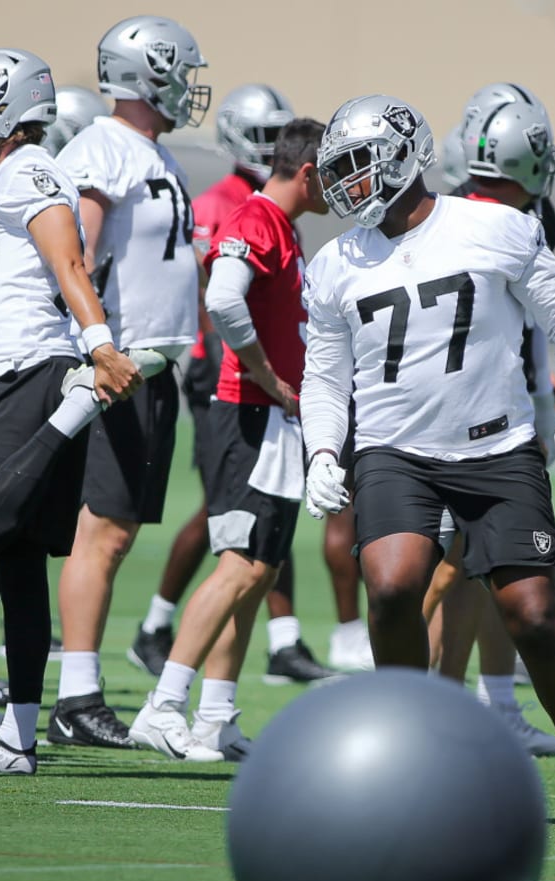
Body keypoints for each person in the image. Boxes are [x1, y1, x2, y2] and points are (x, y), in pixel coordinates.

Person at [300, 94, 555, 828]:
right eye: (338, 172)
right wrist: (321, 448)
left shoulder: (495, 225)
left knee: (534, 618)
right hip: (393, 452)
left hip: (496, 446)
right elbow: (324, 375)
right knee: (389, 586)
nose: (348, 185)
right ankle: (412, 757)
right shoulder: (334, 265)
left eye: (360, 164)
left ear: (407, 153)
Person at [0, 47, 159, 774]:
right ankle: (18, 739)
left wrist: (98, 349)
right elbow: (12, 308)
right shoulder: (1, 175)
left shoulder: (28, 169)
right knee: (16, 560)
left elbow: (69, 264)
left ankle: (76, 411)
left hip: (38, 378)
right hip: (15, 372)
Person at [129, 117, 331, 763]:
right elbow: (223, 298)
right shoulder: (256, 219)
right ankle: (162, 707)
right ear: (306, 172)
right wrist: (268, 375)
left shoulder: (284, 226)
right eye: (335, 172)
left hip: (271, 419)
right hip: (245, 415)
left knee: (259, 568)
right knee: (240, 563)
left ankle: (216, 716)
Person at [49, 17, 208, 749]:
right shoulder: (104, 146)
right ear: (149, 72)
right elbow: (74, 253)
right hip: (118, 364)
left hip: (150, 367)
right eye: (179, 70)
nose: (187, 85)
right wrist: (99, 344)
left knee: (117, 530)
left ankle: (79, 689)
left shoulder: (151, 150)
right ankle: (76, 696)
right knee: (100, 532)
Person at [417, 89, 555, 755]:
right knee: (453, 567)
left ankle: (491, 703)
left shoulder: (522, 220)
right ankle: (417, 698)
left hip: (501, 407)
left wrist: (541, 406)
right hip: (458, 416)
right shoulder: (451, 221)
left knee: (493, 567)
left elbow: (533, 328)